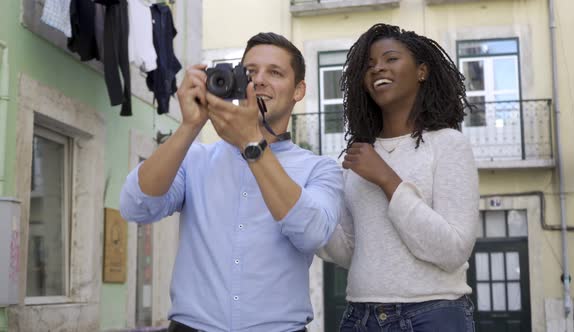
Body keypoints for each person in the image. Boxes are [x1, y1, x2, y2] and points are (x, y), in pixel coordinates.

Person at [120, 32, 344, 332]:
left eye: (275, 72)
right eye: (250, 72)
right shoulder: (195, 158)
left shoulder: (321, 168)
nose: (260, 80)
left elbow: (313, 234)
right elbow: (136, 206)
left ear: (299, 90)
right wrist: (189, 126)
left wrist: (252, 144)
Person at [318, 23, 479, 331]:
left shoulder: (448, 144)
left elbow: (453, 251)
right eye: (369, 65)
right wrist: (303, 212)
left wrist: (386, 179)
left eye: (390, 59)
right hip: (359, 317)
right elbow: (350, 250)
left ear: (421, 71)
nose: (378, 68)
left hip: (432, 315)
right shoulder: (359, 155)